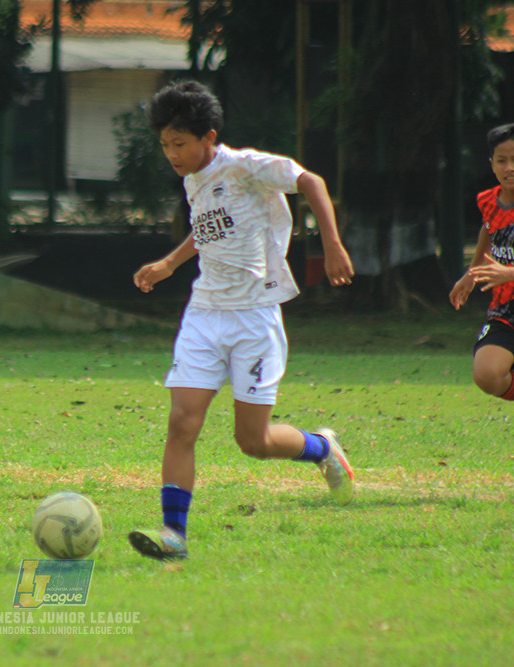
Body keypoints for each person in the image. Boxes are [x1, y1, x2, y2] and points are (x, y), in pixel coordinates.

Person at [128, 80, 356, 561]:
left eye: (179, 143)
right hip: (205, 314)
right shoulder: (194, 178)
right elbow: (207, 229)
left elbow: (311, 181)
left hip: (254, 318)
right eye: (165, 145)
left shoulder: (247, 167)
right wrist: (170, 264)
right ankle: (175, 535)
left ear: (208, 136)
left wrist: (332, 244)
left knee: (253, 441)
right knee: (181, 422)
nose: (171, 153)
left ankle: (321, 449)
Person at [449, 122, 514, 449]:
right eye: (501, 160)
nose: (509, 168)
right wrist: (472, 271)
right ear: (491, 164)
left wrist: (510, 274)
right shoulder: (489, 200)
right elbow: (489, 228)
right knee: (487, 374)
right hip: (507, 312)